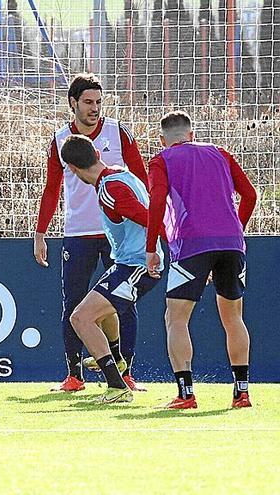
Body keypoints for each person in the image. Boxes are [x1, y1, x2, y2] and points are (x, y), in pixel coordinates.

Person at [33, 73, 149, 392]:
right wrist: (41, 233)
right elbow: (51, 189)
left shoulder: (118, 133)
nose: (94, 108)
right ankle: (74, 376)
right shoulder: (59, 141)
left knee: (122, 302)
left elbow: (143, 180)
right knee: (73, 303)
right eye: (88, 102)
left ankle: (125, 373)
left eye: (98, 102)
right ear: (73, 103)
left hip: (120, 236)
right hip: (78, 232)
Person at [146, 110, 257, 409]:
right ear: (191, 134)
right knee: (233, 318)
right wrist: (235, 232)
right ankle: (242, 392)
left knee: (176, 318)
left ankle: (185, 394)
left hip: (191, 244)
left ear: (162, 139)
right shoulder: (220, 153)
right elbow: (250, 195)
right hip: (232, 244)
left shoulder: (161, 160)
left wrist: (151, 248)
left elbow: (156, 201)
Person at [60, 135, 164, 404]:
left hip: (137, 265)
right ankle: (116, 361)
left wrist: (171, 246)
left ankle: (117, 386)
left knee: (80, 318)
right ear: (96, 151)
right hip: (128, 262)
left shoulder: (110, 189)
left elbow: (147, 216)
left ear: (72, 169)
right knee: (100, 310)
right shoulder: (120, 173)